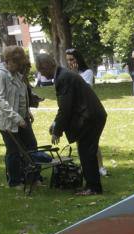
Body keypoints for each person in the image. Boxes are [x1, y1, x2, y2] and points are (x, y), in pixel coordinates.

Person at [36, 53, 107, 196]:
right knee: (86, 151)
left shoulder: (63, 78)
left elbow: (65, 108)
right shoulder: (63, 75)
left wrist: (57, 130)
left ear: (47, 66)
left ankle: (93, 188)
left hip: (90, 117)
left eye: (41, 70)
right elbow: (66, 106)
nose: (41, 74)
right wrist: (56, 123)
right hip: (92, 116)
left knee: (87, 152)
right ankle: (91, 185)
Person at [0, 46, 37, 188]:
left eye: (20, 63)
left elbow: (21, 96)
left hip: (21, 117)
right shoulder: (0, 75)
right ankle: (14, 181)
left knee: (31, 146)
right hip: (6, 120)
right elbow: (0, 99)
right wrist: (17, 118)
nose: (19, 67)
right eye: (16, 64)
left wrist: (26, 112)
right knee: (14, 150)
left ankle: (32, 177)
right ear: (8, 61)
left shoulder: (15, 74)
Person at [66, 48, 106, 177]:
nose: (70, 62)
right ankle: (86, 166)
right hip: (77, 111)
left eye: (72, 59)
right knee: (80, 141)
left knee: (93, 141)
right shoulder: (69, 73)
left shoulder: (87, 72)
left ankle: (100, 166)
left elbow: (85, 89)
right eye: (67, 60)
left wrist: (74, 75)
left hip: (88, 110)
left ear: (78, 59)